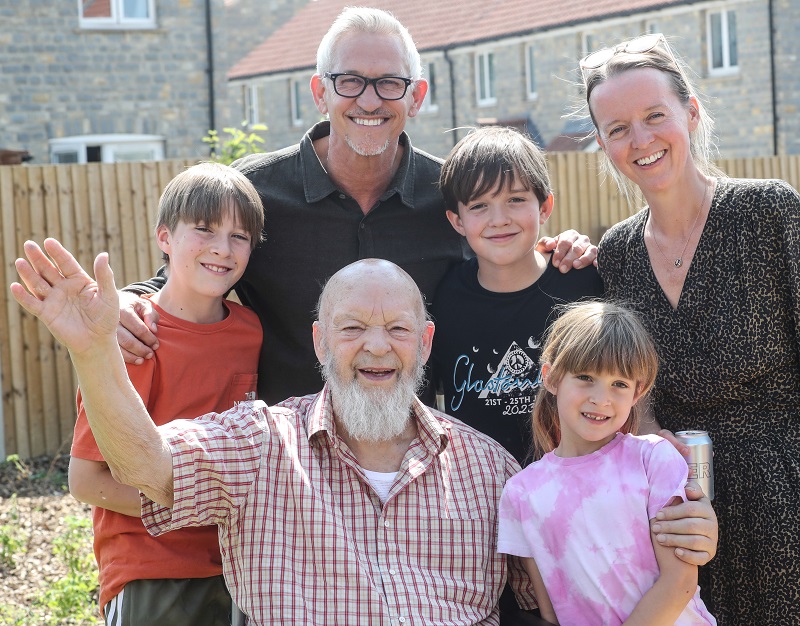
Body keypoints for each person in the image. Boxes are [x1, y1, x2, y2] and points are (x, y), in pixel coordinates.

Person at [12, 247, 717, 626]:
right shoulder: (261, 442)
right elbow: (146, 464)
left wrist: (688, 536)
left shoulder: (491, 469)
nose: (376, 347)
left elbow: (584, 565)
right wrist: (96, 353)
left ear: (425, 343)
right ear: (320, 341)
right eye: (352, 328)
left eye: (397, 329)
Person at [117, 6, 597, 407]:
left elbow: (508, 251)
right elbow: (189, 274)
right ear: (320, 92)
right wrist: (130, 300)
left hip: (413, 458)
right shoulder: (257, 191)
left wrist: (564, 249)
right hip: (289, 460)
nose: (369, 100)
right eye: (349, 81)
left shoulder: (451, 194)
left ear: (417, 96)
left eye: (389, 82)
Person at [583, 33, 800, 624]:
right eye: (618, 127)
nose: (641, 140)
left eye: (655, 116)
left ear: (691, 112)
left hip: (787, 502)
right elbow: (631, 389)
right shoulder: (617, 253)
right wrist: (653, 432)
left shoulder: (768, 213)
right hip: (677, 519)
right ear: (602, 145)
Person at [68, 163, 264, 625]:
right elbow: (86, 480)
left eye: (240, 236)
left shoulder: (250, 332)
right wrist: (203, 503)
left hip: (236, 569)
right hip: (150, 570)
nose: (222, 248)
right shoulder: (132, 338)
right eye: (204, 229)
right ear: (164, 238)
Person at [498, 301, 716, 625]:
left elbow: (680, 583)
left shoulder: (654, 458)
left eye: (619, 384)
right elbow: (550, 611)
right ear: (551, 377)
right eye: (585, 377)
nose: (601, 398)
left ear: (637, 392)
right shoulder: (520, 493)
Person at [431, 126, 604, 466]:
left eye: (515, 199)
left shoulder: (585, 285)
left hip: (575, 486)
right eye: (479, 205)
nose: (499, 219)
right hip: (478, 493)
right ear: (457, 221)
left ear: (544, 207)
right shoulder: (443, 297)